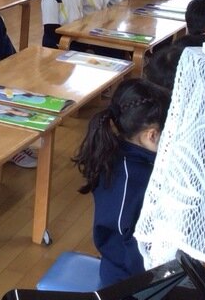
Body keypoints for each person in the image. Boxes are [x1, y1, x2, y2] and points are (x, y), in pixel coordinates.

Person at [73, 78, 170, 286]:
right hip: (127, 283)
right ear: (152, 135)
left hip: (137, 267)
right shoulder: (129, 180)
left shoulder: (120, 152)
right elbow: (125, 249)